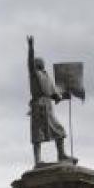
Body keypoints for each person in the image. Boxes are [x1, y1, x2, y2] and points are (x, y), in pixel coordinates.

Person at [27, 35, 71, 166]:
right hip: (38, 107)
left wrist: (63, 96)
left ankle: (61, 154)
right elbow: (29, 61)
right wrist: (31, 48)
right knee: (37, 134)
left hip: (48, 106)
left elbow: (54, 94)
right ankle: (37, 160)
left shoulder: (46, 76)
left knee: (60, 130)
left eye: (39, 62)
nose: (40, 63)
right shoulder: (34, 74)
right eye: (37, 62)